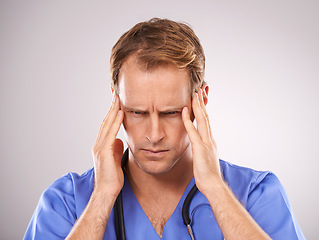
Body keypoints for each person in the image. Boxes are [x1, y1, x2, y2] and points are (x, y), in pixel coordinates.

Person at [24, 18, 305, 240]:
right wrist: (102, 197)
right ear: (115, 101)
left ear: (201, 101)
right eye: (137, 112)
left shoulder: (257, 194)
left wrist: (216, 190)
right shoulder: (66, 202)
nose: (154, 135)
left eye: (171, 112)